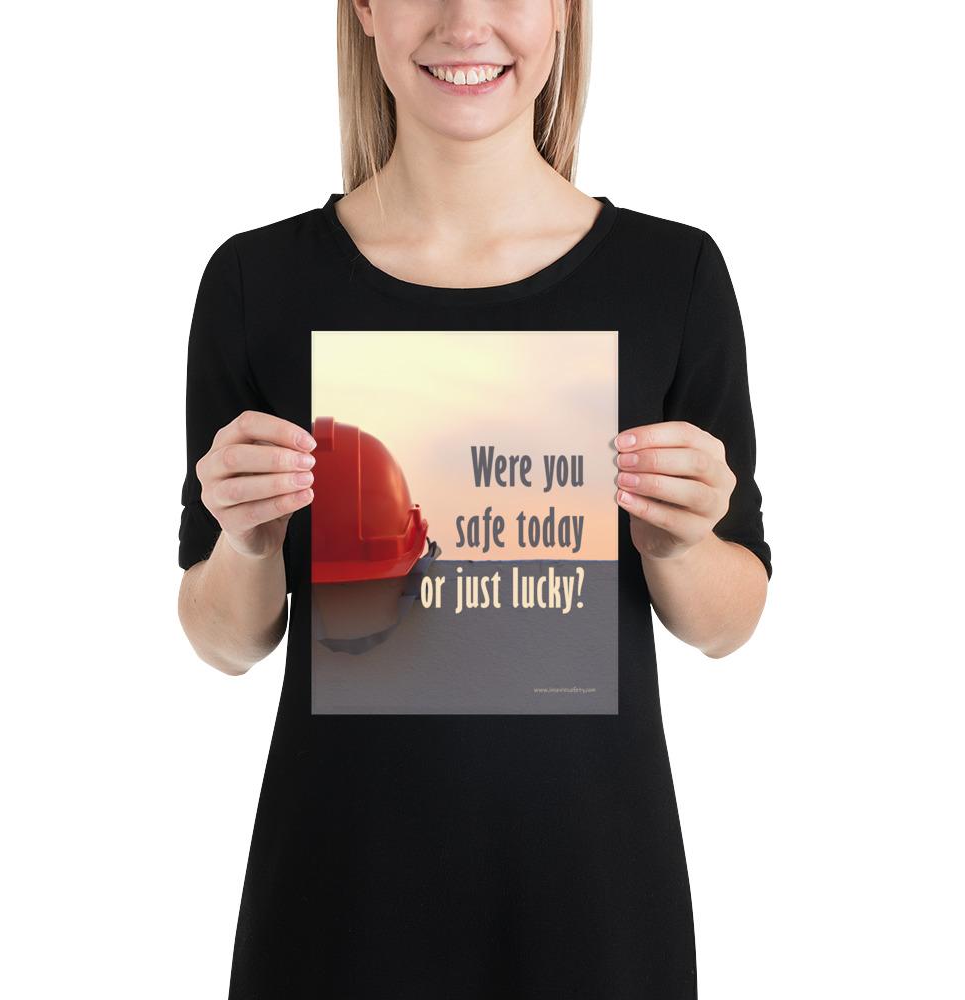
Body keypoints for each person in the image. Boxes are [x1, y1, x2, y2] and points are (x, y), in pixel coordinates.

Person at [177, 0, 772, 996]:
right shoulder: (256, 282)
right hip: (335, 915)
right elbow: (224, 638)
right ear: (365, 9)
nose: (466, 21)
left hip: (596, 912)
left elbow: (729, 620)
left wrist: (678, 542)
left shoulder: (673, 277)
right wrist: (246, 544)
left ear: (565, 14)